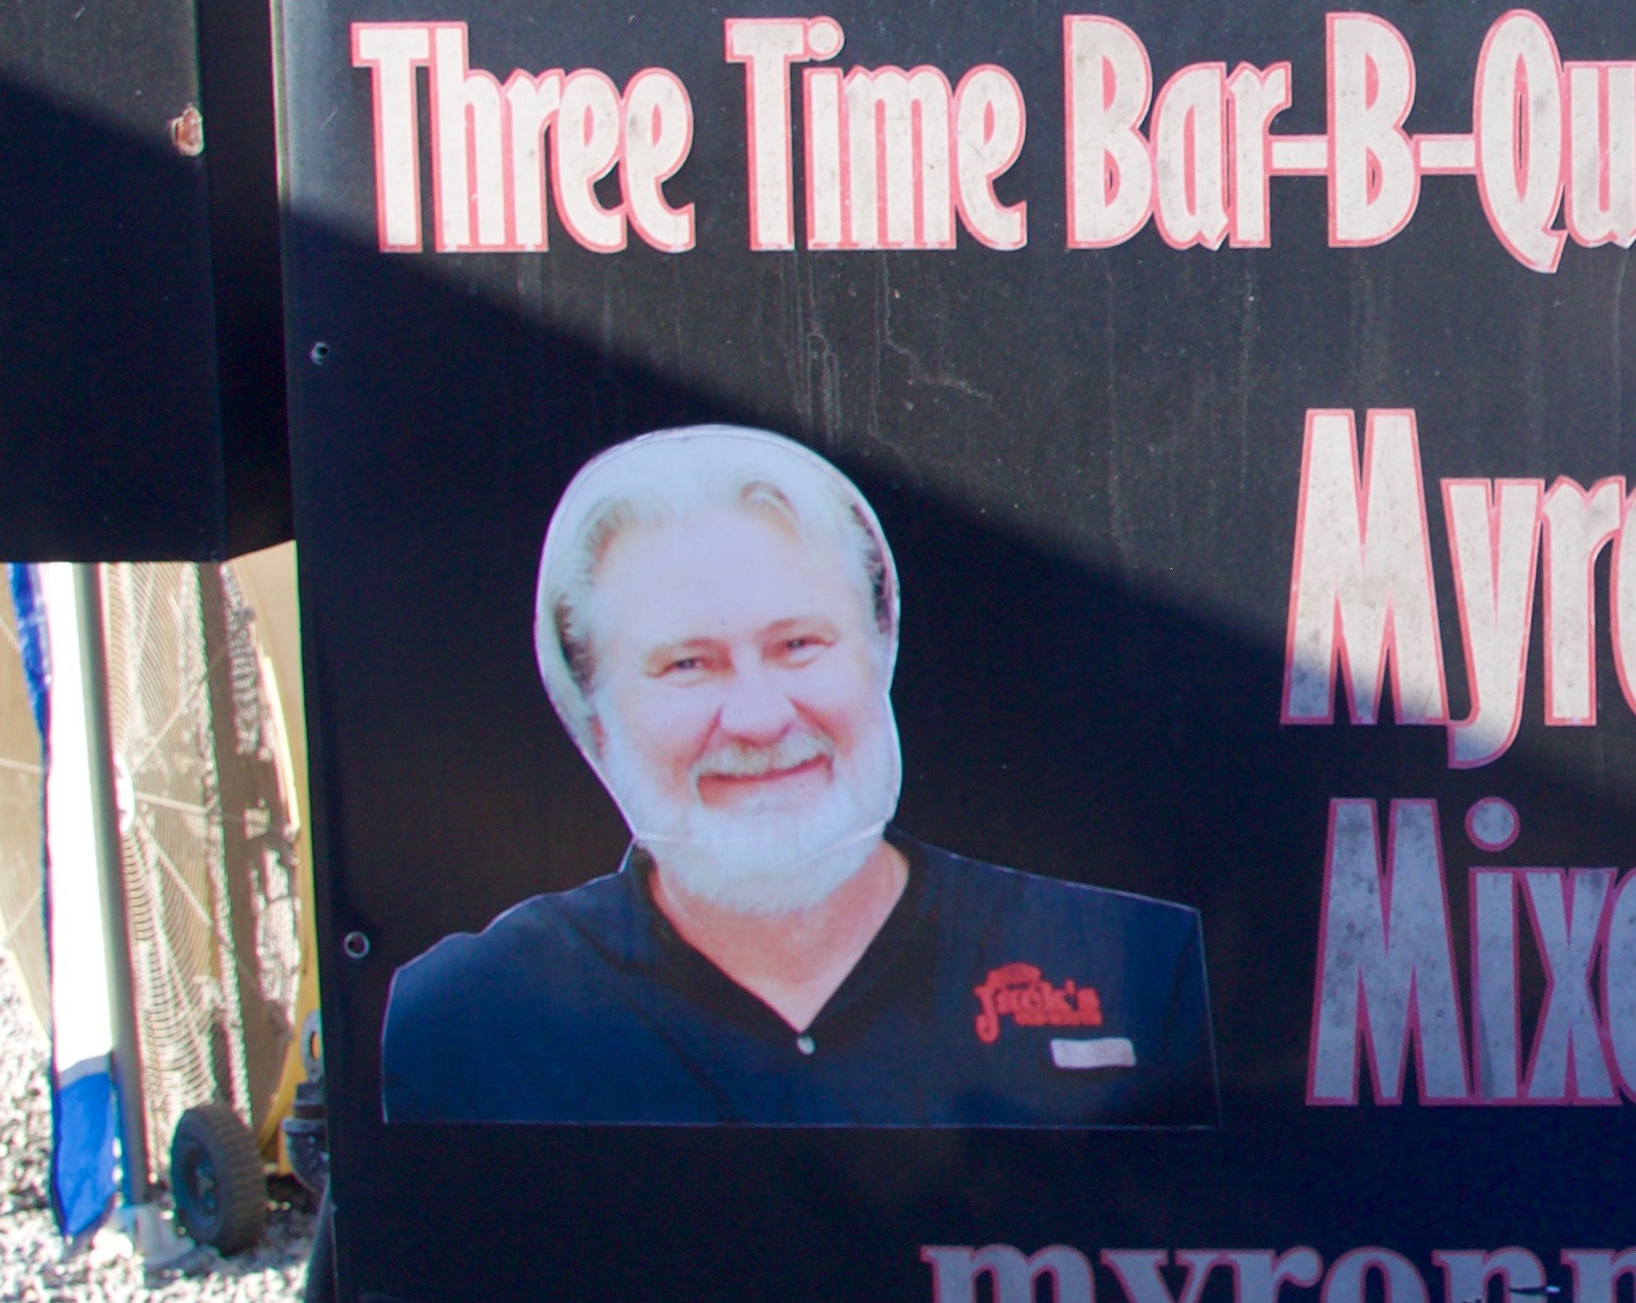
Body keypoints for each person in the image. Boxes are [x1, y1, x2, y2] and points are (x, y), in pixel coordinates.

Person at [379, 424, 1212, 1127]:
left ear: (880, 647)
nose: (759, 716)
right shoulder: (471, 1022)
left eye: (798, 645)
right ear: (591, 714)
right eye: (687, 664)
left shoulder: (1143, 970)